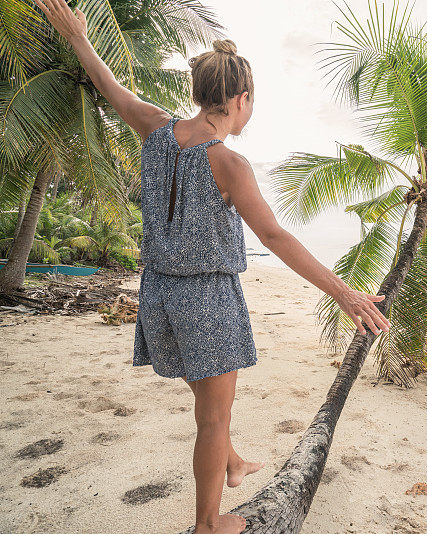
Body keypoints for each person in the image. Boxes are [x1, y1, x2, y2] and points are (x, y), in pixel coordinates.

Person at [34, 1, 391, 533]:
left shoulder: (154, 127)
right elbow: (273, 235)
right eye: (251, 105)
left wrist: (80, 37)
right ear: (240, 99)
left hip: (158, 295)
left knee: (208, 402)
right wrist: (343, 293)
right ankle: (207, 523)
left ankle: (233, 460)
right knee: (213, 417)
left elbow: (107, 83)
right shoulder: (229, 163)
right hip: (207, 299)